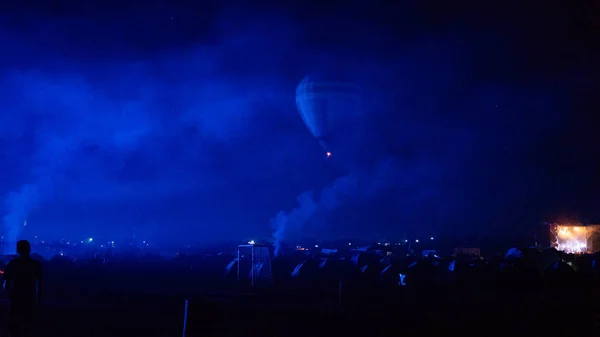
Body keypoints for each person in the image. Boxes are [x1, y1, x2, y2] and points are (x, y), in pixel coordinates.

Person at [2, 240, 43, 337]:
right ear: (29, 249)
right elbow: (40, 284)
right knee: (28, 328)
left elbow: (6, 282)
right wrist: (39, 299)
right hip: (30, 299)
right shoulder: (35, 265)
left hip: (16, 299)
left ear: (18, 250)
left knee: (14, 328)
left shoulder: (13, 264)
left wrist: (9, 296)